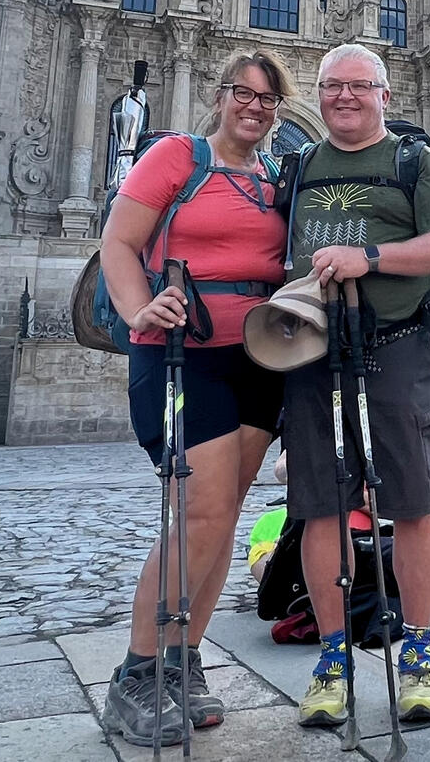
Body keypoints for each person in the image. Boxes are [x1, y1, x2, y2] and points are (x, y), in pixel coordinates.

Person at [97, 51, 293, 747]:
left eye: (268, 98)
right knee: (200, 510)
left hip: (260, 358)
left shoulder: (277, 176)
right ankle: (137, 673)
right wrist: (138, 307)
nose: (255, 106)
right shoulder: (176, 155)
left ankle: (182, 661)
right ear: (220, 95)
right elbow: (119, 242)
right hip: (182, 354)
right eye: (243, 92)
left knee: (221, 517)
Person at [281, 43, 430, 730]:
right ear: (319, 92)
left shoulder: (414, 161)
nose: (345, 97)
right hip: (311, 352)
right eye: (332, 86)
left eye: (359, 85)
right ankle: (332, 661)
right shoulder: (298, 165)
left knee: (413, 502)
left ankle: (417, 652)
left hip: (397, 345)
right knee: (320, 505)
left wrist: (371, 257)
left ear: (385, 94)